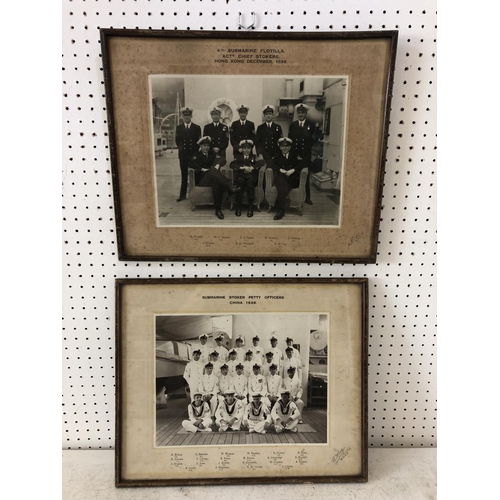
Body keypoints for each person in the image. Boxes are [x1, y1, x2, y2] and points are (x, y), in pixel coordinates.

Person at [188, 136, 240, 220]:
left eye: (208, 146)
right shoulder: (196, 155)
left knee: (216, 182)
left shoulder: (212, 154)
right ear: (200, 146)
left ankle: (218, 210)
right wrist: (201, 169)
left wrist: (218, 164)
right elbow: (190, 163)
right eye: (204, 146)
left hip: (212, 178)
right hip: (202, 180)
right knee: (213, 172)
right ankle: (229, 185)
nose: (206, 148)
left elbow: (223, 159)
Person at [287, 103, 321, 205]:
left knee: (305, 175)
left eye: (302, 112)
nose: (301, 114)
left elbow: (314, 139)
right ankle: (294, 196)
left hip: (306, 154)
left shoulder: (311, 124)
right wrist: (293, 153)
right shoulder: (293, 125)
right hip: (295, 154)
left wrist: (306, 151)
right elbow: (290, 140)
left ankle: (307, 197)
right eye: (299, 112)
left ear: (306, 113)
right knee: (295, 174)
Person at [268, 137, 303, 221]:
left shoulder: (294, 155)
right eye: (282, 146)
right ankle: (281, 210)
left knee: (282, 187)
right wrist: (280, 170)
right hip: (282, 176)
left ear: (290, 147)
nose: (284, 148)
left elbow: (303, 163)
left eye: (286, 146)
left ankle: (279, 205)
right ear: (280, 147)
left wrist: (293, 170)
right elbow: (269, 163)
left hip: (292, 177)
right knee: (281, 184)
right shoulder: (277, 155)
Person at [229, 139, 265, 217]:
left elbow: (262, 162)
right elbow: (232, 164)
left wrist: (252, 167)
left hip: (251, 177)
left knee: (250, 183)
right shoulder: (239, 157)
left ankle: (250, 207)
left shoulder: (254, 157)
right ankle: (238, 207)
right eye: (245, 148)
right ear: (242, 149)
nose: (246, 150)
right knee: (239, 181)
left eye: (248, 148)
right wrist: (242, 168)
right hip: (241, 176)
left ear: (251, 149)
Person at [174, 107, 202, 202]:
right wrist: (182, 149)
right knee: (184, 175)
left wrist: (195, 153)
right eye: (185, 115)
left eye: (188, 115)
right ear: (182, 116)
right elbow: (177, 141)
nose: (187, 117)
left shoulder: (196, 128)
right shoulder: (179, 128)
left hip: (193, 155)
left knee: (196, 174)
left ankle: (197, 194)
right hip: (183, 155)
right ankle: (182, 195)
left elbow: (198, 142)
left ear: (191, 116)